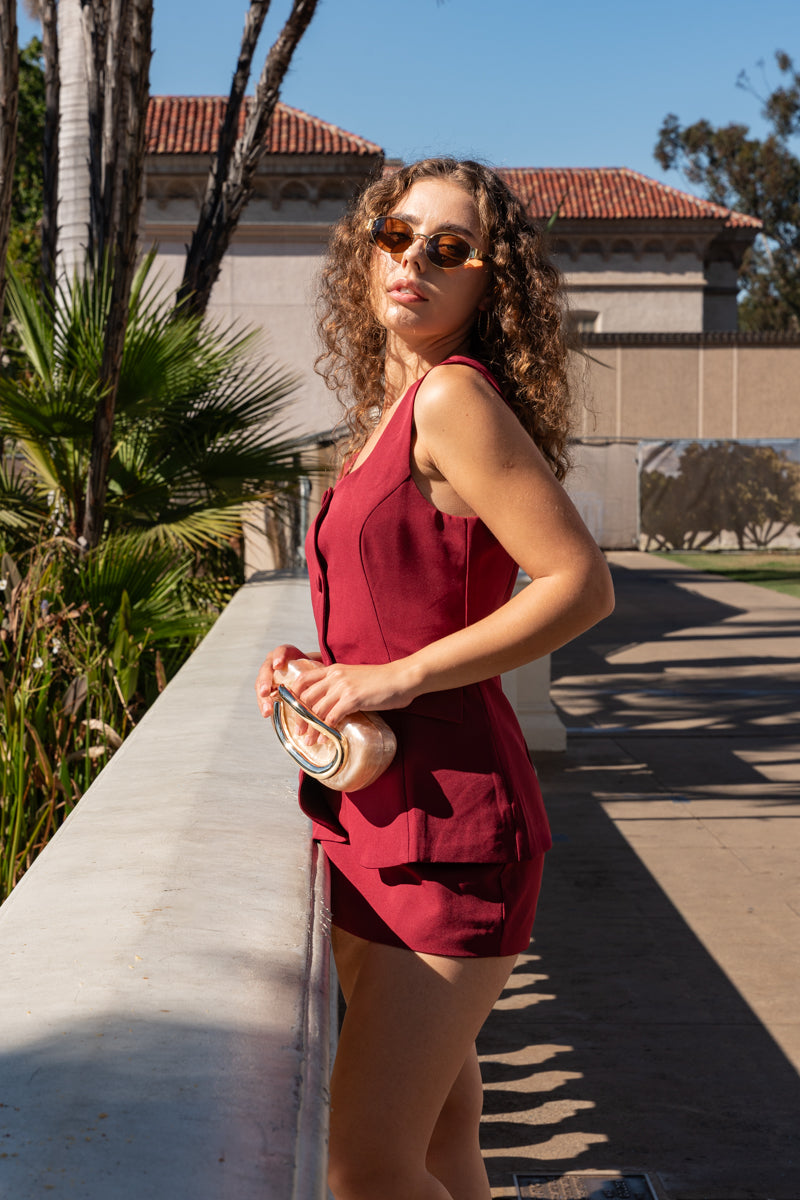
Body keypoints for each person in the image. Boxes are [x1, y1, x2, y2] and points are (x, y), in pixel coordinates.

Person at [255, 157, 614, 1200]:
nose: (414, 258)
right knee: (444, 1140)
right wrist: (323, 675)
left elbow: (578, 585)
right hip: (372, 814)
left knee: (363, 1170)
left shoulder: (452, 398)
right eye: (396, 234)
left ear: (488, 283)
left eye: (450, 248)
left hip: (454, 831)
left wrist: (396, 677)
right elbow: (396, 601)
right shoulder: (387, 406)